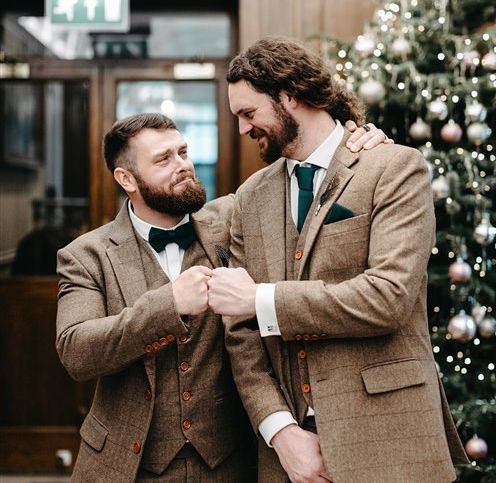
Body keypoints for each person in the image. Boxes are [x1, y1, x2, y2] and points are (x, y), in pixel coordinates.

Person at [55, 112, 387, 482]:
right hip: (128, 465)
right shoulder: (87, 255)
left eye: (182, 152)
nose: (182, 165)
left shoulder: (234, 218)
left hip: (231, 461)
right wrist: (169, 305)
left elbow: (313, 165)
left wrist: (357, 141)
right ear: (126, 178)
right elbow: (77, 352)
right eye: (164, 159)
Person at [207, 37, 469, 483]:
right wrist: (280, 431)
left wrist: (262, 300)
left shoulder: (394, 168)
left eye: (248, 113)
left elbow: (388, 298)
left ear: (289, 95)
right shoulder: (249, 197)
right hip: (287, 460)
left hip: (389, 441)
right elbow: (241, 337)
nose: (242, 129)